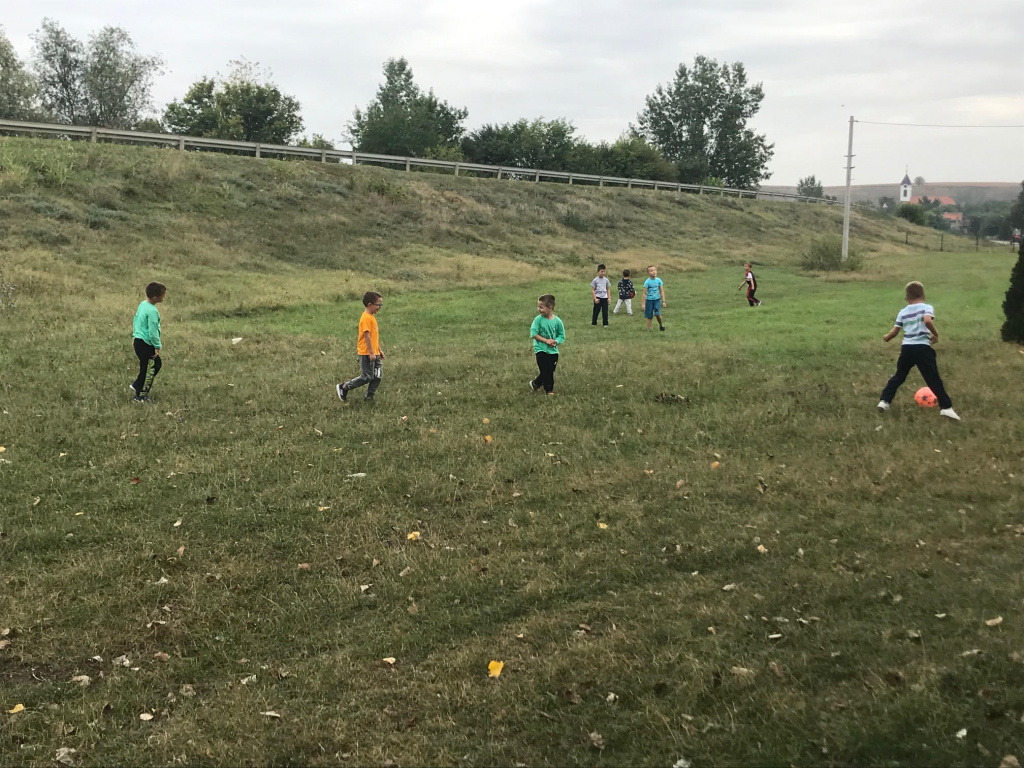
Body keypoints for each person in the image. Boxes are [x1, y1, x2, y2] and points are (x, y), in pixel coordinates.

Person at [878, 281, 959, 420]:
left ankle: (884, 401)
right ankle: (946, 408)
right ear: (923, 296)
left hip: (907, 348)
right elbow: (927, 321)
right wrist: (935, 334)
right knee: (933, 378)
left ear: (907, 298)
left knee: (899, 376)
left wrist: (887, 337)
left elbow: (895, 331)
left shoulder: (903, 312)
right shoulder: (926, 307)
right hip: (922, 348)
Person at [337, 291, 386, 403]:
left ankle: (369, 398)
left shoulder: (372, 317)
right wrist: (371, 353)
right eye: (379, 305)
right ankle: (344, 387)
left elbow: (374, 337)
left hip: (375, 353)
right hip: (367, 353)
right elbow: (367, 336)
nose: (380, 307)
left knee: (377, 376)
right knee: (367, 376)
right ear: (370, 304)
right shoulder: (365, 318)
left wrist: (379, 350)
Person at [130, 282, 166, 403]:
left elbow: (136, 320)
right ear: (155, 297)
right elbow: (152, 331)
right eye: (162, 295)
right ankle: (140, 395)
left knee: (149, 366)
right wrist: (157, 346)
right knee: (151, 368)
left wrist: (135, 336)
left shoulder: (142, 304)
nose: (164, 297)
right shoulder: (152, 311)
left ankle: (137, 385)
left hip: (138, 341)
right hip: (146, 343)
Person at [529, 294, 565, 395]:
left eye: (541, 307)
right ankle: (549, 390)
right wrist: (545, 341)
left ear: (550, 308)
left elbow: (561, 335)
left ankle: (536, 383)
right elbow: (534, 334)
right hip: (540, 349)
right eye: (538, 306)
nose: (538, 309)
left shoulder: (557, 321)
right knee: (546, 370)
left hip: (553, 351)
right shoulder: (538, 320)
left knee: (550, 370)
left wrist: (556, 341)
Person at [642, 265, 666, 331]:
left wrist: (663, 301)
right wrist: (643, 304)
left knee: (658, 314)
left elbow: (662, 291)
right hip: (649, 301)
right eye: (651, 271)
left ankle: (660, 325)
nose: (653, 272)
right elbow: (644, 293)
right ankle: (649, 330)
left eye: (654, 270)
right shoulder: (647, 282)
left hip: (657, 300)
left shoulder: (659, 280)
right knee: (649, 316)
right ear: (648, 273)